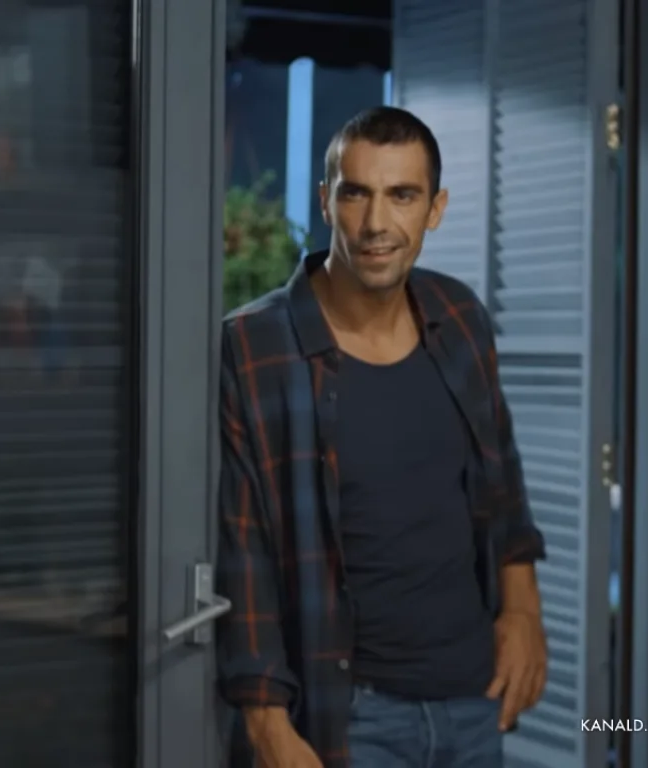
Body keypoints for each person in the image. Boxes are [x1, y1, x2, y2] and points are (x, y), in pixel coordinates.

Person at [216, 107, 549, 768]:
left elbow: (501, 481)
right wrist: (266, 722)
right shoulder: (255, 346)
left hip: (473, 699)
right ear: (325, 201)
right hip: (351, 716)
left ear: (435, 209)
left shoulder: (459, 316)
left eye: (402, 195)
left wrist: (523, 613)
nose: (376, 224)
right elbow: (241, 545)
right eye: (355, 194)